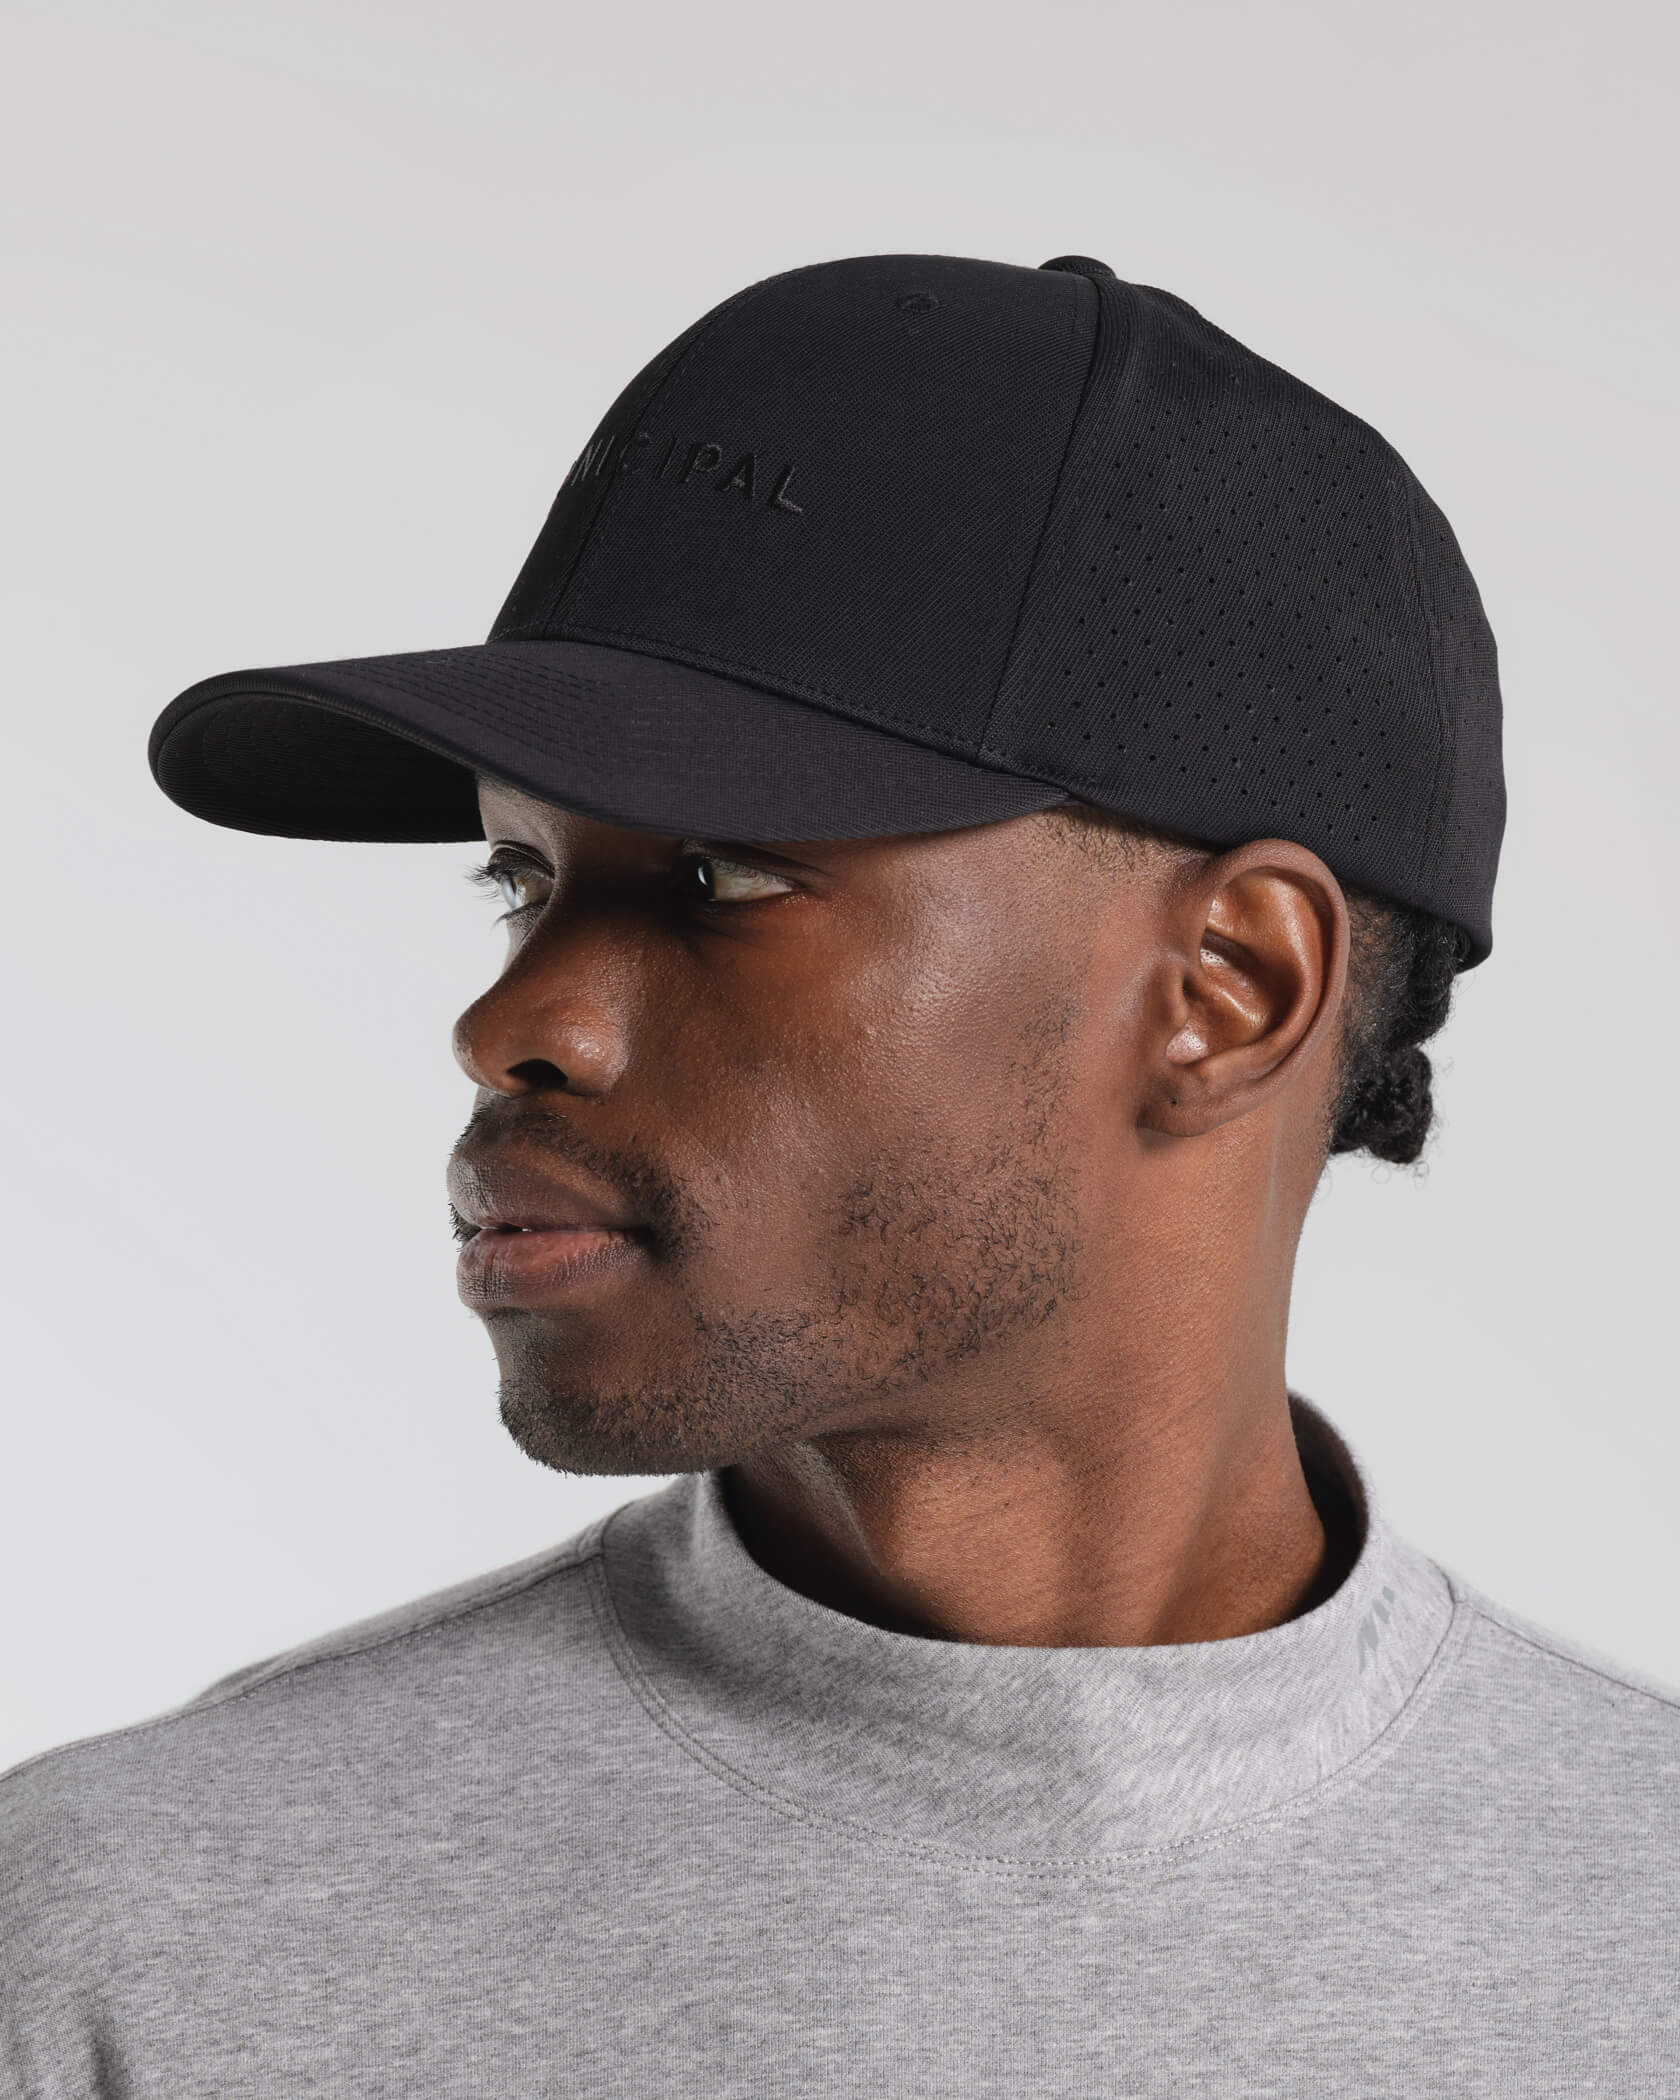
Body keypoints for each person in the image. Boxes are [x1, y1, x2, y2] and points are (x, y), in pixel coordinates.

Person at [3, 252, 1674, 2094]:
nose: (512, 1021)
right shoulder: (144, 1943)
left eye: (720, 877)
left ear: (1230, 989)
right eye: (522, 880)